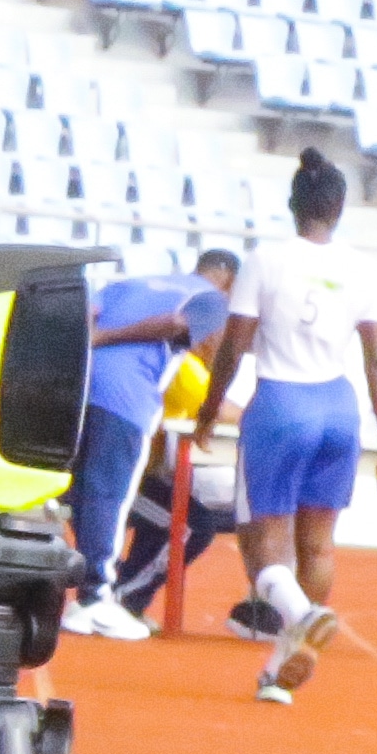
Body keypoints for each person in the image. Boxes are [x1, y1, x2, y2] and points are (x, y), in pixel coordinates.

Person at [198, 153, 377, 702]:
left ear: (293, 205)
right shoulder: (364, 268)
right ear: (339, 209)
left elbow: (235, 345)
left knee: (260, 543)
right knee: (318, 544)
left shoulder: (265, 260)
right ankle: (283, 669)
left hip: (281, 404)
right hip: (339, 408)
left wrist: (207, 410)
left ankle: (301, 614)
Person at [65, 243, 238, 641]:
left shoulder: (136, 282)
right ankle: (96, 599)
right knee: (111, 496)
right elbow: (179, 326)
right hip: (127, 398)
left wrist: (96, 337)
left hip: (78, 391)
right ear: (229, 283)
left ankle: (91, 595)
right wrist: (107, 338)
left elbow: (87, 309)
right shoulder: (209, 299)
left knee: (90, 491)